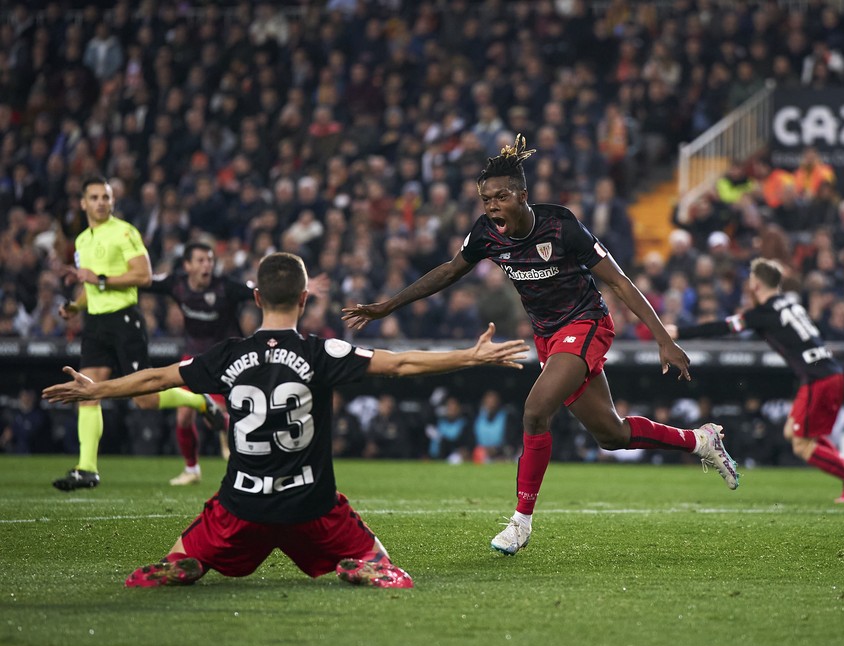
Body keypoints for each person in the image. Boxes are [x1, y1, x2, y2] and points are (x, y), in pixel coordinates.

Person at [343, 135, 739, 556]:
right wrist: (388, 306)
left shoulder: (561, 225)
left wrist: (663, 339)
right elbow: (447, 272)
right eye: (485, 199)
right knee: (611, 434)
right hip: (549, 335)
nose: (492, 205)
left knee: (535, 411)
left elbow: (619, 280)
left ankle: (520, 522)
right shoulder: (486, 235)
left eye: (501, 196)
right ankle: (700, 441)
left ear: (523, 195)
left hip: (587, 323)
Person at [43, 252, 528, 589]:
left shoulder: (225, 355)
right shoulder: (322, 352)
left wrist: (97, 388)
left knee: (183, 552)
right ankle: (360, 565)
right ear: (303, 300)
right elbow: (400, 362)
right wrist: (471, 355)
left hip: (239, 508)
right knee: (379, 559)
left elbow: (158, 378)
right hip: (312, 508)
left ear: (256, 299)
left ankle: (188, 561)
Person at [53, 177, 224, 492]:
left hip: (124, 320)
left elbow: (143, 275)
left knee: (144, 399)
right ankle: (87, 469)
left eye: (106, 197)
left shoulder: (124, 231)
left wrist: (101, 280)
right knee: (87, 389)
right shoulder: (81, 241)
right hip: (95, 323)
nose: (101, 202)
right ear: (83, 203)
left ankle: (201, 402)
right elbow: (92, 287)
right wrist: (76, 307)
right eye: (94, 197)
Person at [667, 258, 844, 503]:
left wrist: (680, 332)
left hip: (818, 379)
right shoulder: (790, 304)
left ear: (755, 284)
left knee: (801, 445)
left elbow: (723, 327)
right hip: (829, 374)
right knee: (799, 434)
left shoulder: (763, 314)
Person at [141, 242, 255, 485]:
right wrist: (105, 279)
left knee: (222, 416)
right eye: (201, 260)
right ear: (187, 265)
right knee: (183, 417)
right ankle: (192, 470)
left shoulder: (226, 286)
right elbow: (144, 281)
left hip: (227, 360)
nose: (207, 265)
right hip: (194, 357)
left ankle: (244, 466)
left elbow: (259, 293)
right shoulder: (177, 285)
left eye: (210, 260)